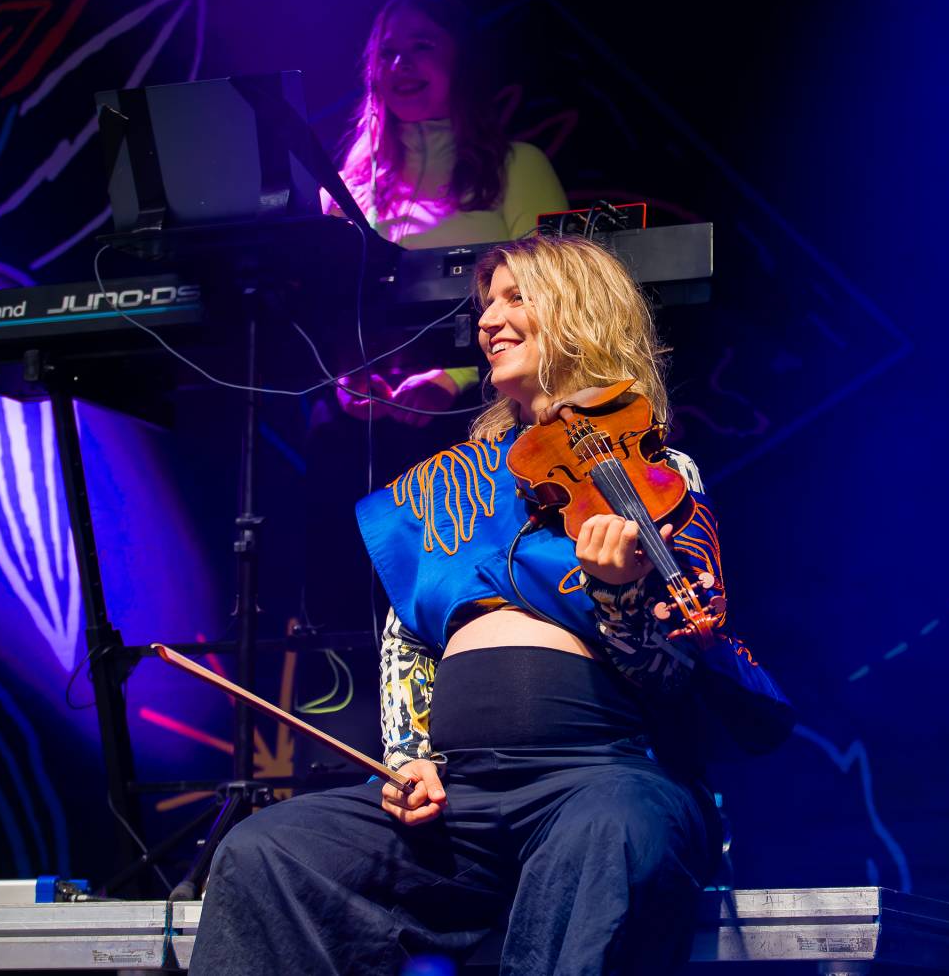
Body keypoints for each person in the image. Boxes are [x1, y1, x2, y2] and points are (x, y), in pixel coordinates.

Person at [190, 235, 792, 976]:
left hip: (600, 776)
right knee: (266, 853)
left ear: (580, 313)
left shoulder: (656, 473)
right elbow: (406, 635)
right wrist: (410, 758)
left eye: (515, 298)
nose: (487, 322)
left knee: (612, 836)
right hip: (462, 795)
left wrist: (617, 592)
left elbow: (675, 674)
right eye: (485, 305)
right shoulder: (449, 486)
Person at [325, 0, 569, 425]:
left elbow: (551, 303)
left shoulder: (518, 168)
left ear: (462, 63)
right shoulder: (344, 189)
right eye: (389, 52)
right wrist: (346, 379)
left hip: (482, 411)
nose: (401, 64)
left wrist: (452, 380)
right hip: (354, 426)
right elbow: (322, 313)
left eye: (422, 46)